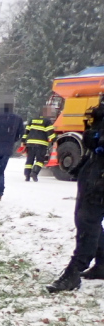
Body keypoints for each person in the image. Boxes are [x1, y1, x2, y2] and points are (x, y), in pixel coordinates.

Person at [47, 97, 104, 292]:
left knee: (87, 220)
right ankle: (101, 264)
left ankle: (74, 271)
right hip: (95, 170)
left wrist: (96, 137)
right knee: (90, 220)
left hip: (100, 175)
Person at [22, 107, 57, 182]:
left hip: (30, 143)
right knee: (40, 160)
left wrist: (23, 142)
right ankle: (34, 173)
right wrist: (55, 141)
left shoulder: (32, 120)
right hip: (41, 144)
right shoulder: (47, 121)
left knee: (29, 160)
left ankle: (27, 175)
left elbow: (26, 132)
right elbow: (50, 133)